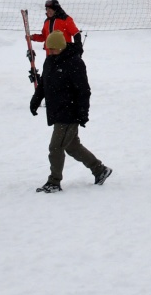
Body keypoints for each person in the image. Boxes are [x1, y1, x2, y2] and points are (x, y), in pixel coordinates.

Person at [29, 30, 111, 192]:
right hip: (57, 110)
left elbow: (83, 90)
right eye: (48, 49)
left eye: (53, 49)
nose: (50, 51)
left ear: (61, 46)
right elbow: (44, 84)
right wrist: (36, 100)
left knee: (55, 147)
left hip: (69, 112)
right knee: (72, 146)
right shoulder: (50, 61)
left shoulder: (75, 63)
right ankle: (100, 170)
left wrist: (82, 113)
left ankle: (54, 182)